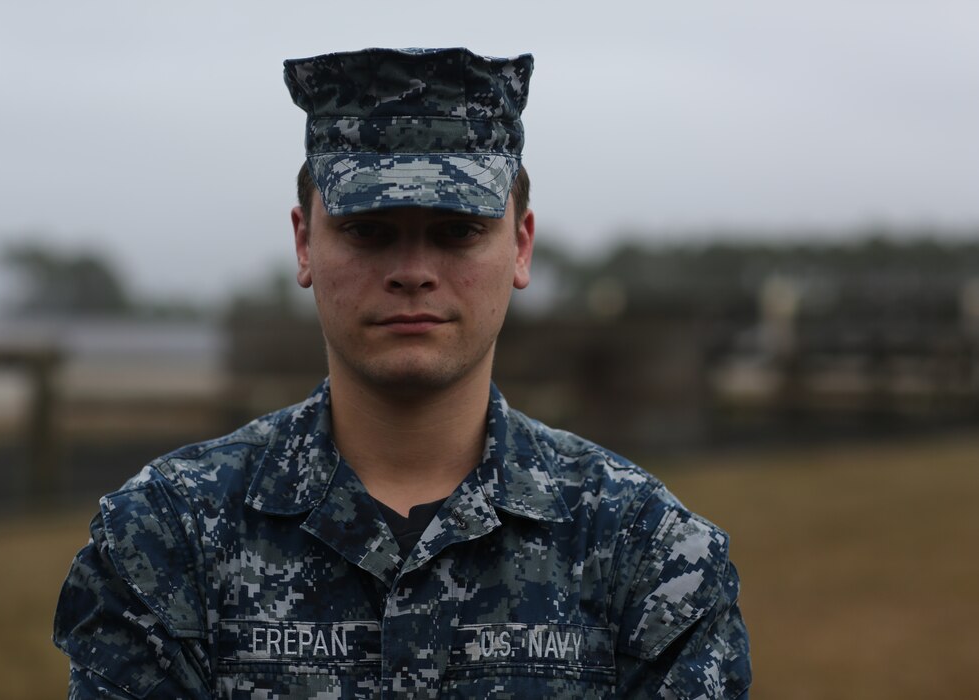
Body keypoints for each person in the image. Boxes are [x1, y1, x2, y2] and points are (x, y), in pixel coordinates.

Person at [54, 47, 750, 698]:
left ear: (521, 245)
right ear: (304, 243)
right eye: (368, 230)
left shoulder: (647, 552)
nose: (413, 273)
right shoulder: (166, 539)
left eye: (457, 231)